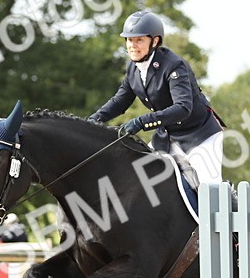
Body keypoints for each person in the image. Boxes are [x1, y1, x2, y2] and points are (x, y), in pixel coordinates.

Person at [88, 10, 224, 184]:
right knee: (140, 181)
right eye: (129, 40)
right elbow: (120, 101)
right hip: (166, 138)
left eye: (139, 40)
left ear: (155, 41)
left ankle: (230, 198)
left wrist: (142, 121)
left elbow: (183, 108)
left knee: (209, 187)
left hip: (199, 136)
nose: (132, 45)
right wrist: (94, 120)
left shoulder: (173, 66)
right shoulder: (133, 68)